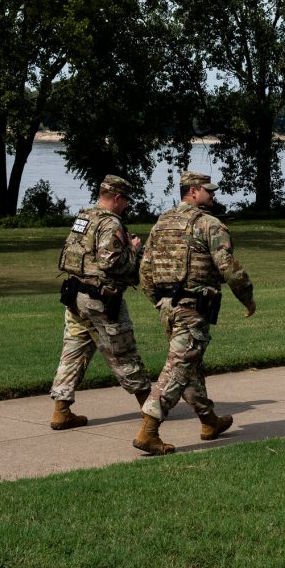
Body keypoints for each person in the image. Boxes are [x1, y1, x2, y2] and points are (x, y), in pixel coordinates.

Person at [133, 171, 256, 455]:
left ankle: (209, 421)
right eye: (208, 190)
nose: (213, 194)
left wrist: (160, 301)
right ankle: (149, 429)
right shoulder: (209, 224)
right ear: (193, 192)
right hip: (192, 308)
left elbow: (145, 269)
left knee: (190, 367)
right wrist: (247, 299)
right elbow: (228, 267)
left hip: (168, 308)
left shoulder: (161, 223)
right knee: (178, 369)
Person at [48, 174, 153, 430]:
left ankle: (61, 411)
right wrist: (133, 249)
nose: (127, 205)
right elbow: (111, 262)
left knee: (74, 351)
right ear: (117, 198)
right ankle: (152, 410)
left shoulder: (85, 217)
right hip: (100, 299)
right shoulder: (110, 223)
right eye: (126, 199)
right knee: (123, 352)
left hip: (75, 295)